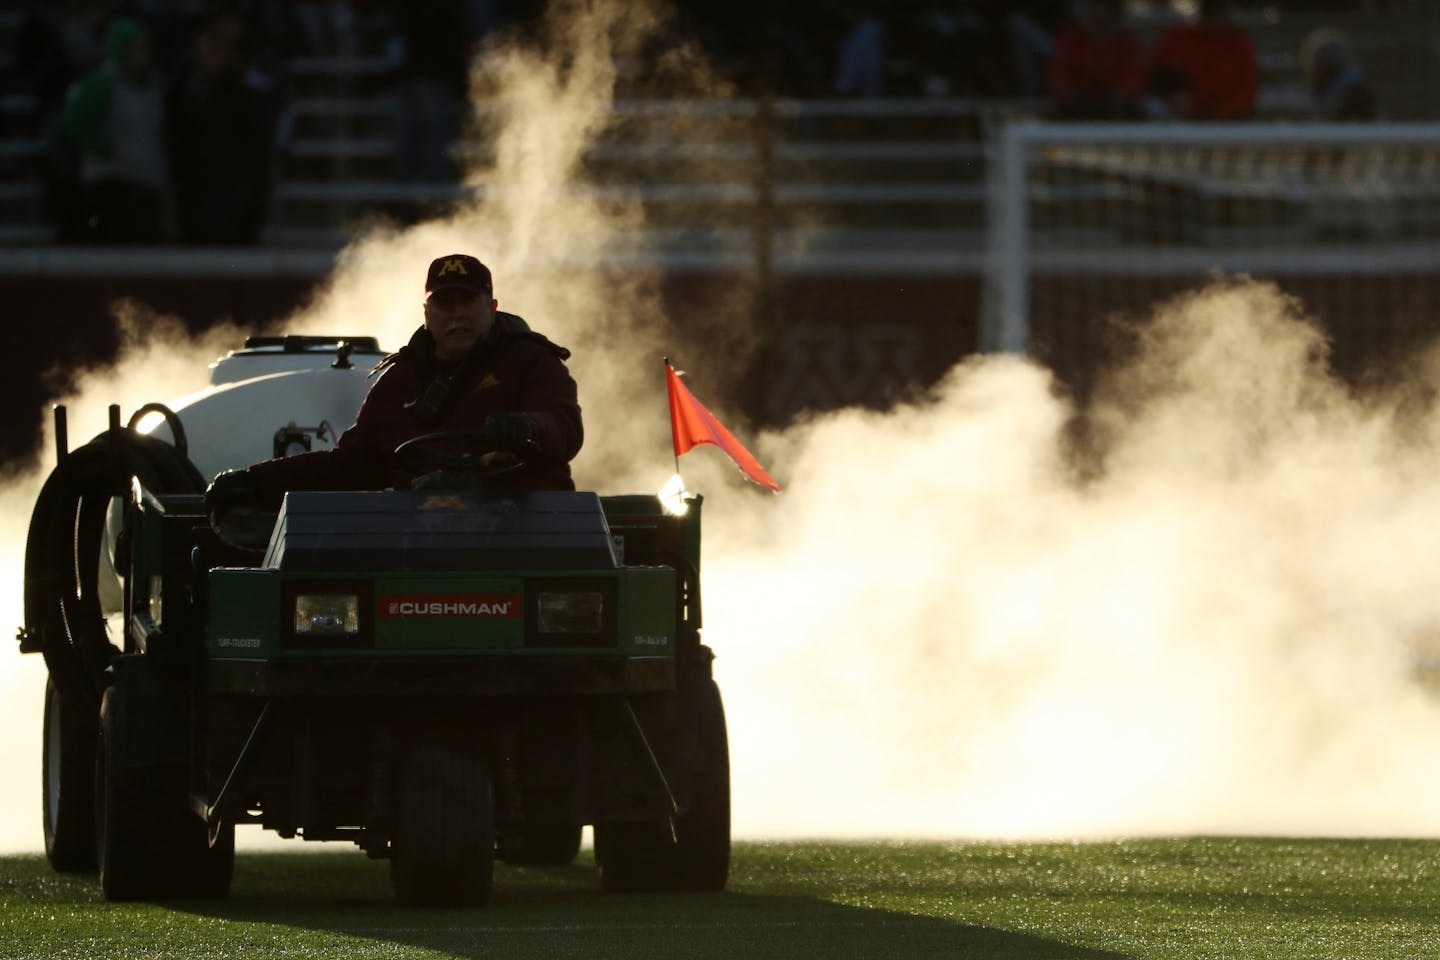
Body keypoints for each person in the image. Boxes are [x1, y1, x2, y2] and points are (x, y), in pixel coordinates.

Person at [204, 254, 583, 516]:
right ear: (426, 314)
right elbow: (353, 463)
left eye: (467, 302)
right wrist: (257, 481)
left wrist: (528, 429)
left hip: (526, 532)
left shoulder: (532, 362)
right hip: (419, 539)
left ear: (492, 307)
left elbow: (564, 429)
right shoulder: (400, 379)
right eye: (444, 305)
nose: (456, 316)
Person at [1148, 0, 1257, 120]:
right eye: (1213, 13)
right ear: (1204, 14)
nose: (1218, 20)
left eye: (1221, 13)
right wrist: (1172, 97)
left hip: (1227, 118)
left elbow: (1247, 89)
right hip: (1176, 115)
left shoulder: (1239, 44)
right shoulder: (1177, 38)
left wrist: (1222, 110)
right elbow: (1156, 73)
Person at [1047, 0, 1145, 119]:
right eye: (1094, 8)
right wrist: (1070, 96)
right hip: (1077, 105)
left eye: (1103, 9)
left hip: (1118, 106)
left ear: (1113, 12)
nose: (1098, 14)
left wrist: (1121, 96)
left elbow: (1135, 74)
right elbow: (1058, 73)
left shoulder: (1127, 41)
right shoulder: (1070, 39)